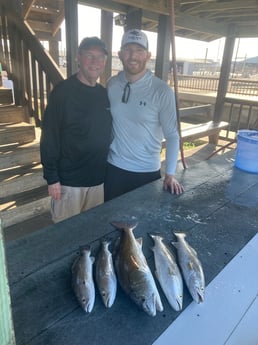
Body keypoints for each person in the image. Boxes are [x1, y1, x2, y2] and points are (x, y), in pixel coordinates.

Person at [104, 29, 184, 201]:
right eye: (128, 50)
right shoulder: (112, 84)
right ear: (120, 54)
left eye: (139, 51)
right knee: (110, 222)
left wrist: (170, 173)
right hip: (113, 168)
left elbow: (172, 135)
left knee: (144, 224)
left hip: (146, 171)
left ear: (148, 56)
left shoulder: (162, 91)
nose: (133, 56)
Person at [40, 37, 112, 223]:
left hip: (97, 181)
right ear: (79, 58)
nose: (95, 62)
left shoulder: (104, 94)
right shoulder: (62, 92)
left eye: (100, 57)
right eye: (90, 56)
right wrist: (52, 178)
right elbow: (50, 136)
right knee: (66, 236)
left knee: (92, 232)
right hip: (69, 183)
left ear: (105, 62)